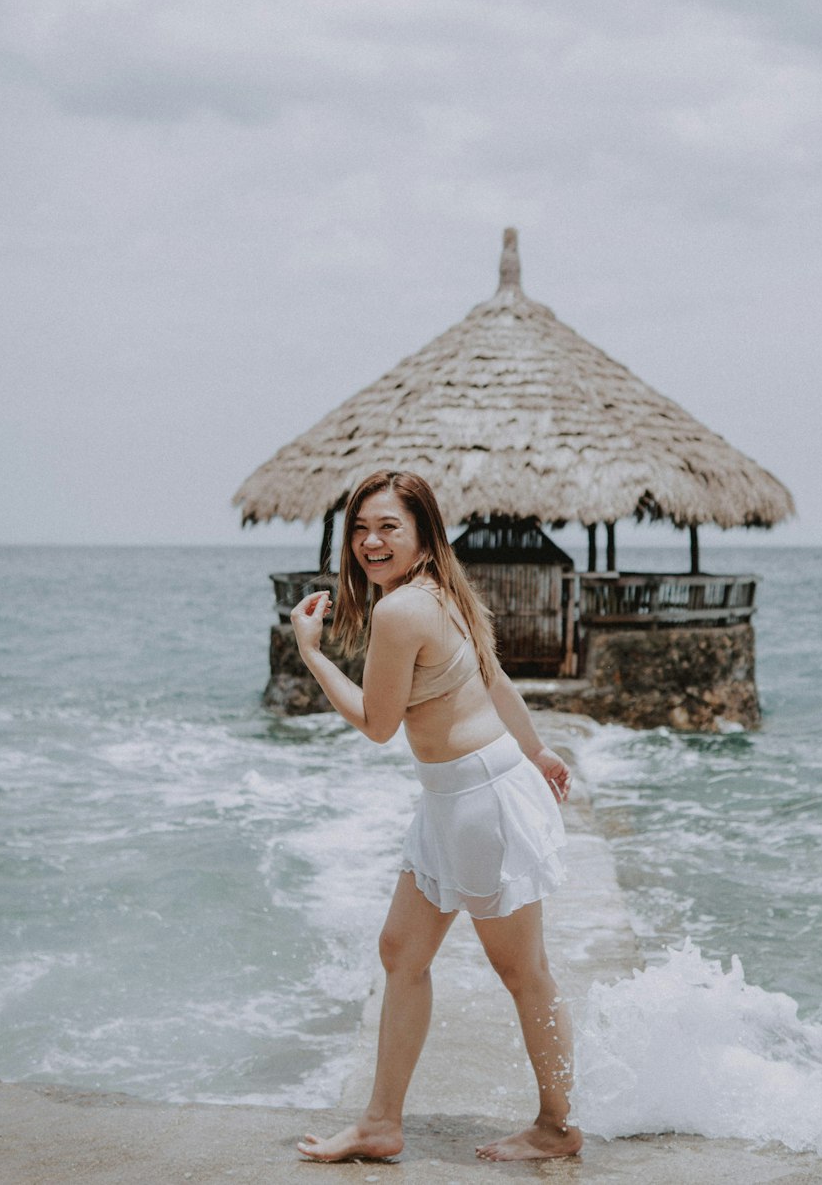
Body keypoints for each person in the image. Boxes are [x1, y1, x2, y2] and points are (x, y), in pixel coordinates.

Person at [289, 470, 582, 1165]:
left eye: (389, 526)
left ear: (423, 536)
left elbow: (377, 723)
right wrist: (536, 749)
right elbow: (493, 676)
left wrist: (310, 652)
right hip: (452, 797)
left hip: (479, 801)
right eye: (360, 527)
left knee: (524, 972)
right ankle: (380, 1124)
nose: (370, 541)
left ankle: (557, 1126)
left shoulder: (401, 611)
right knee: (402, 951)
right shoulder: (439, 591)